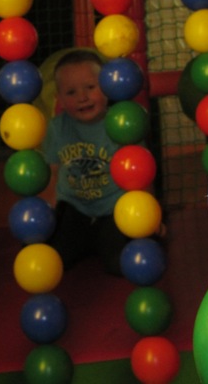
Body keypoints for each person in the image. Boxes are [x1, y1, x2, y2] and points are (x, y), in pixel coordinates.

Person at [42, 49, 129, 276]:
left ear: (107, 88)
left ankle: (100, 240)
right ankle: (89, 241)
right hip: (75, 207)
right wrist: (47, 217)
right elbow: (52, 174)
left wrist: (150, 216)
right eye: (71, 92)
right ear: (59, 99)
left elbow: (140, 174)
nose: (82, 97)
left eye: (90, 87)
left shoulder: (121, 123)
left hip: (114, 207)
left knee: (120, 264)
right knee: (53, 259)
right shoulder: (57, 128)